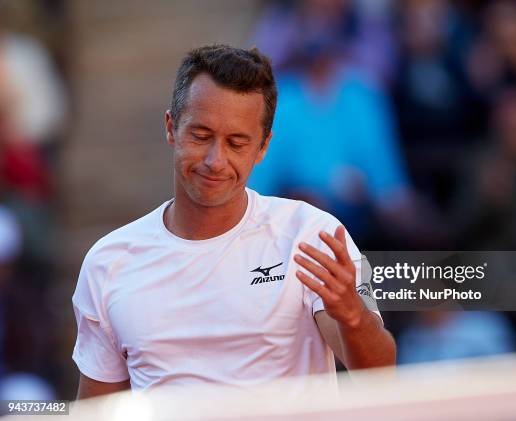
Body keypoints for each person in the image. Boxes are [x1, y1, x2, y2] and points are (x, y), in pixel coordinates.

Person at [71, 45, 396, 399]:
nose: (215, 160)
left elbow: (380, 374)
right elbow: (96, 408)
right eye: (200, 135)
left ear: (263, 148)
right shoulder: (107, 261)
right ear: (171, 128)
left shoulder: (316, 233)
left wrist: (353, 316)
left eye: (237, 143)